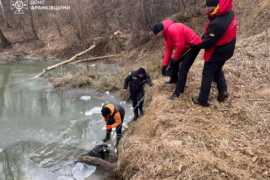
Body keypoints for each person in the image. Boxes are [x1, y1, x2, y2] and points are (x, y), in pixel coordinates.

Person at [190, 0, 237, 107]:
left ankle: (202, 99)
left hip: (218, 50)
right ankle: (223, 91)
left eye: (209, 6)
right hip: (229, 48)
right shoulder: (230, 12)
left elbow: (209, 42)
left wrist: (197, 45)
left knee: (207, 73)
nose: (206, 8)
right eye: (206, 6)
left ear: (216, 6)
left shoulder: (217, 23)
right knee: (217, 68)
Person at [152, 20, 202, 100]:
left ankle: (178, 92)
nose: (157, 36)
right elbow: (168, 49)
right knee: (174, 63)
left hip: (193, 46)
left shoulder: (173, 29)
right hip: (185, 47)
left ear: (160, 31)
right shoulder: (166, 35)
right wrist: (164, 65)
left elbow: (180, 45)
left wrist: (174, 58)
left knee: (183, 68)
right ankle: (174, 79)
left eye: (157, 34)